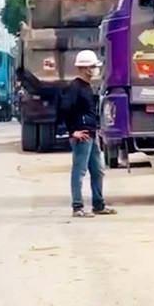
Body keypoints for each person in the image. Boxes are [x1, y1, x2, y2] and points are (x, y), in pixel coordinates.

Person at [58, 50, 114, 217]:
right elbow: (64, 109)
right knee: (79, 171)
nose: (95, 69)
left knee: (98, 170)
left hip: (91, 133)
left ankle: (98, 204)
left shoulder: (87, 86)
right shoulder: (74, 87)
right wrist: (71, 131)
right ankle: (78, 207)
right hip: (81, 136)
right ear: (84, 68)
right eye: (92, 66)